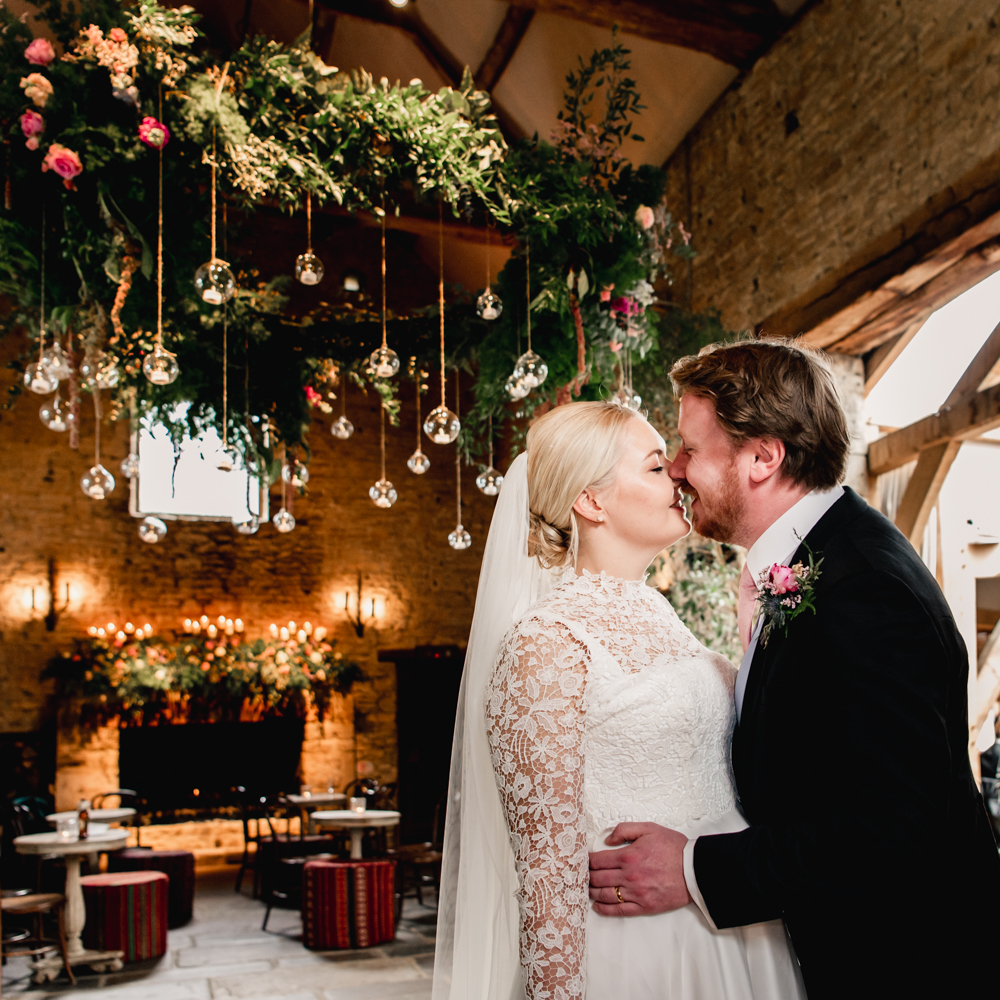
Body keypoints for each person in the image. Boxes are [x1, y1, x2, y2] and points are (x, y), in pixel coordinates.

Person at [588, 340, 1000, 999]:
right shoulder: (819, 562)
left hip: (907, 966)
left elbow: (892, 832)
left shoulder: (868, 589)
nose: (679, 469)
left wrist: (695, 868)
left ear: (763, 456)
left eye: (692, 448)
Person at [433, 399, 805, 1000]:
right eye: (657, 467)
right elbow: (546, 877)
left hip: (735, 933)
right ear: (592, 500)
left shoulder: (658, 611)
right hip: (638, 955)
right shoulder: (544, 645)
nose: (679, 475)